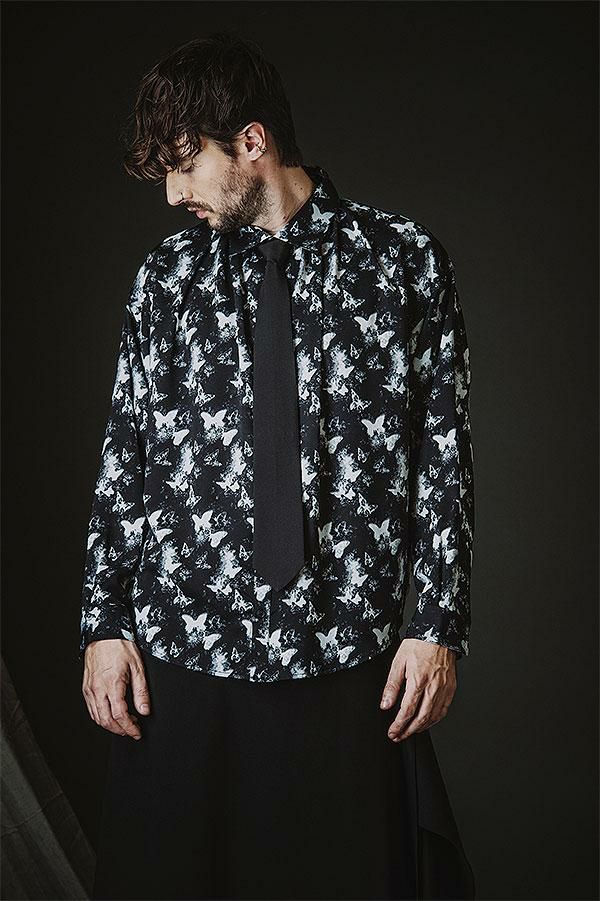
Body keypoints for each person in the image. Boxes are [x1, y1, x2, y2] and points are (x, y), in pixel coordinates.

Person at [79, 30, 476, 901]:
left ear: (251, 141)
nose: (174, 193)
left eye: (187, 165)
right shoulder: (164, 281)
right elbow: (125, 453)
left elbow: (443, 455)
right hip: (182, 658)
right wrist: (103, 623)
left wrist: (437, 624)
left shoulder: (403, 263)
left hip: (346, 657)